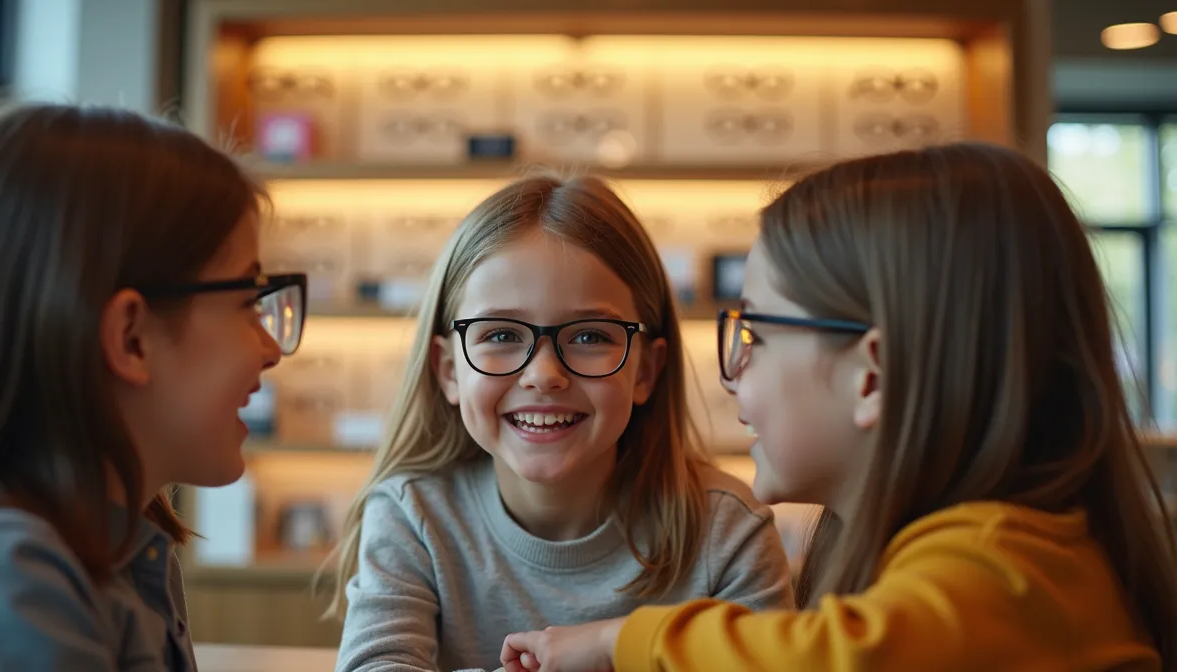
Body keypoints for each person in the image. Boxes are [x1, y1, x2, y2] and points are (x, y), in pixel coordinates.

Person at [499, 142, 1177, 672]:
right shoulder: (985, 564)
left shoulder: (1005, 575)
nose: (734, 372)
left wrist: (624, 641)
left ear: (872, 375)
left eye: (756, 335)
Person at [0, 102, 307, 670]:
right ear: (130, 337)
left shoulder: (124, 546)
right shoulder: (2, 574)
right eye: (249, 301)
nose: (271, 350)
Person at [330, 174, 794, 672]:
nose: (544, 375)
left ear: (646, 371)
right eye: (502, 334)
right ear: (449, 371)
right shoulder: (414, 517)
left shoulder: (726, 534)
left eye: (591, 337)